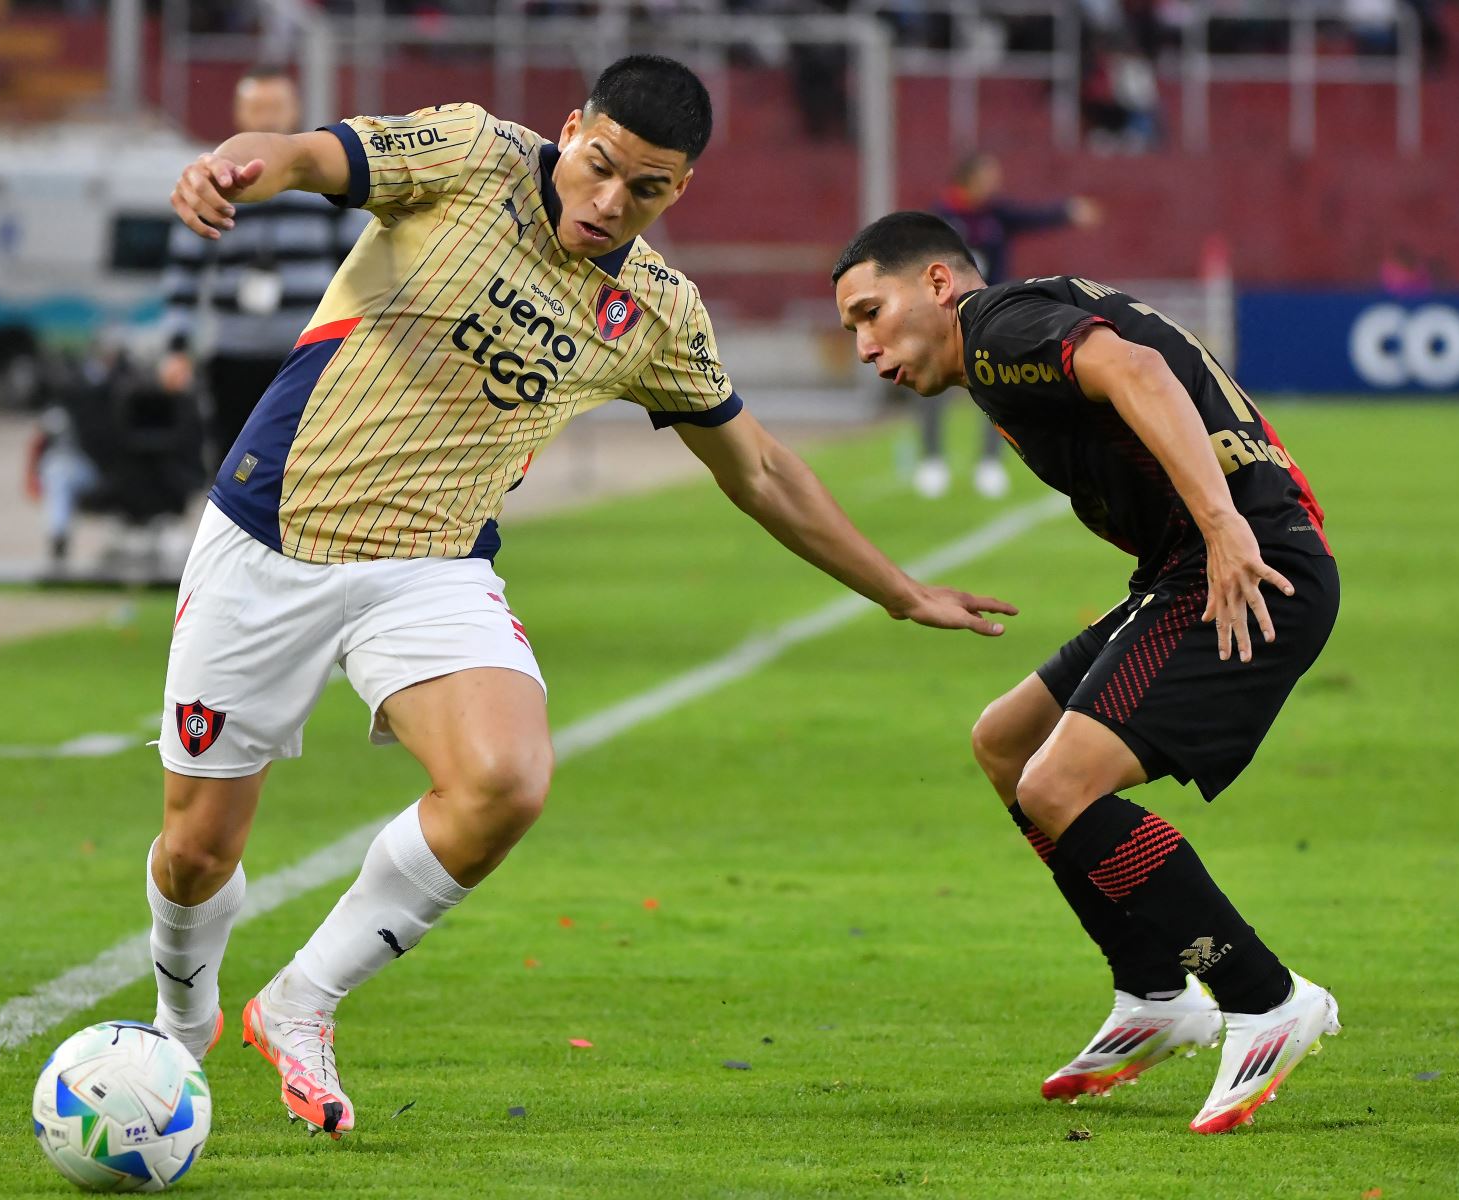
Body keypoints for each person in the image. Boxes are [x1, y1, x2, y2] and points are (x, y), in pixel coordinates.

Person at [152, 56, 1016, 1138]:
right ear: (571, 131)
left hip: (429, 567)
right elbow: (318, 153)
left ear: (679, 192)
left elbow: (758, 470)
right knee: (197, 851)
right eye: (598, 167)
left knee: (505, 781)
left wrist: (895, 591)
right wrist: (241, 166)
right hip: (269, 537)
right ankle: (176, 1026)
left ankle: (300, 1004)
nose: (609, 203)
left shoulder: (655, 310)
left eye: (645, 189)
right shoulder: (472, 156)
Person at [831, 212, 1341, 1134]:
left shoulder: (996, 332)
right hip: (1192, 570)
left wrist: (1226, 528)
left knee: (1059, 783)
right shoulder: (1018, 328)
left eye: (872, 313)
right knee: (1006, 742)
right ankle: (1153, 991)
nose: (866, 347)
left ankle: (1263, 997)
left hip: (1244, 568)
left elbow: (1137, 370)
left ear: (940, 284)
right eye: (851, 330)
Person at [162, 64, 370, 470]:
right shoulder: (212, 181)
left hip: (310, 350)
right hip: (234, 354)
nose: (269, 119)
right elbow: (184, 272)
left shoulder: (326, 181)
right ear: (240, 116)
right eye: (257, 109)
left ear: (295, 111)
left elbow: (361, 261)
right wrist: (176, 348)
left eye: (277, 107)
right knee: (230, 464)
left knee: (306, 466)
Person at [921, 153, 1101, 500]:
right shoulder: (941, 216)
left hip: (988, 315)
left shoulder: (996, 214)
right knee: (932, 388)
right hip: (945, 317)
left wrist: (1068, 211)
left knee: (995, 385)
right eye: (989, 175)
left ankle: (990, 463)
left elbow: (1034, 217)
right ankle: (932, 461)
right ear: (969, 177)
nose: (994, 183)